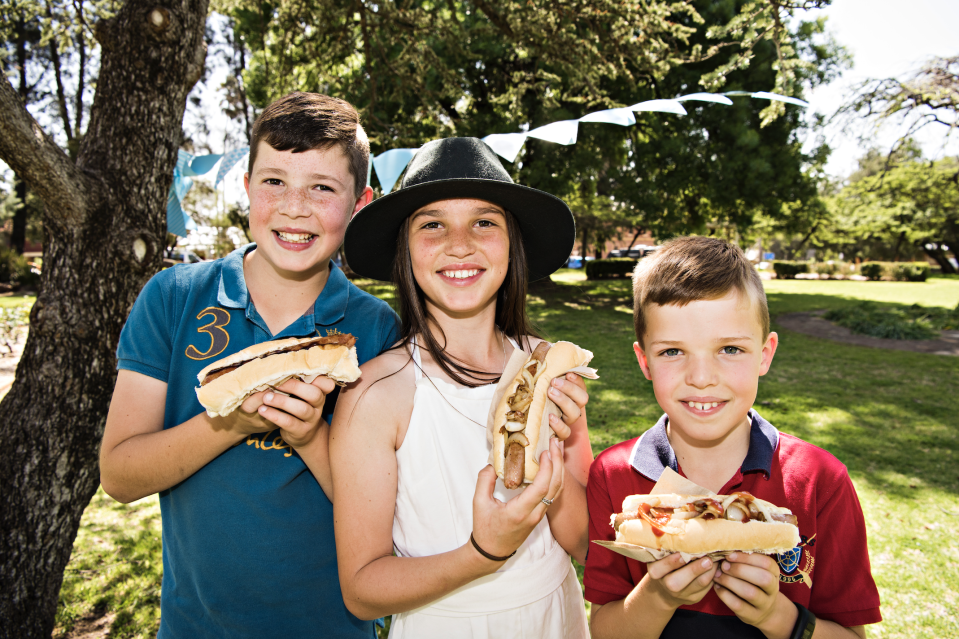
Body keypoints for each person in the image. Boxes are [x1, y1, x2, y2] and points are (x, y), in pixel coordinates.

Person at [99, 92, 400, 638]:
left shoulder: (376, 329)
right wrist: (234, 420)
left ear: (360, 205)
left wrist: (310, 437)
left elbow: (389, 517)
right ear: (246, 186)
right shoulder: (173, 297)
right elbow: (119, 476)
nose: (293, 206)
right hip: (195, 626)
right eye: (274, 181)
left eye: (323, 188)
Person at [327, 137, 591, 637]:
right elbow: (361, 589)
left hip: (555, 619)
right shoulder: (374, 396)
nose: (460, 244)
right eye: (432, 225)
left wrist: (549, 464)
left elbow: (582, 544)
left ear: (512, 243)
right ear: (404, 248)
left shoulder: (549, 364)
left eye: (484, 222)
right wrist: (483, 552)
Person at [585, 236, 882, 639]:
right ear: (644, 361)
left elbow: (852, 634)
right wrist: (657, 597)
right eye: (673, 351)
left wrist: (778, 617)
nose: (702, 377)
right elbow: (604, 629)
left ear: (764, 353)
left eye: (729, 349)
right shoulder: (614, 474)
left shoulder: (819, 480)